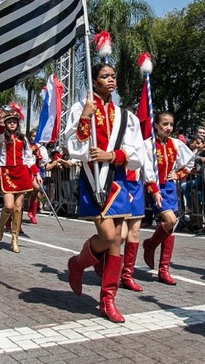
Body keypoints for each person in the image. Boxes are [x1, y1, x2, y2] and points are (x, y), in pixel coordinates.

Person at [64, 62, 144, 323]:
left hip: (117, 179)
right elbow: (74, 147)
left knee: (118, 238)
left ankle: (107, 300)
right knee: (109, 235)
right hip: (92, 179)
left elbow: (137, 153)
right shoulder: (80, 107)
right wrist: (86, 116)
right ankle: (77, 263)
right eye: (104, 76)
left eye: (112, 76)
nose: (110, 80)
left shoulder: (125, 115)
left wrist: (112, 155)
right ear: (94, 81)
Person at [141, 111, 195, 286]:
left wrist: (179, 174)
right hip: (155, 187)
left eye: (171, 124)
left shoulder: (176, 144)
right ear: (156, 125)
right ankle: (150, 245)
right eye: (164, 124)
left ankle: (163, 269)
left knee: (170, 226)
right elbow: (146, 170)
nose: (168, 128)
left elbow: (190, 161)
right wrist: (154, 190)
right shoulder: (148, 145)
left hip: (170, 188)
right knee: (170, 220)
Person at [0, 104, 36, 253]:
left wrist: (35, 173)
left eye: (14, 121)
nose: (11, 123)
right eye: (9, 121)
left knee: (18, 207)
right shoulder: (1, 138)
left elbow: (29, 158)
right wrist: (0, 121)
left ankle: (14, 239)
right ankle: (1, 224)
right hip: (6, 173)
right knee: (9, 206)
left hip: (21, 173)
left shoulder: (23, 139)